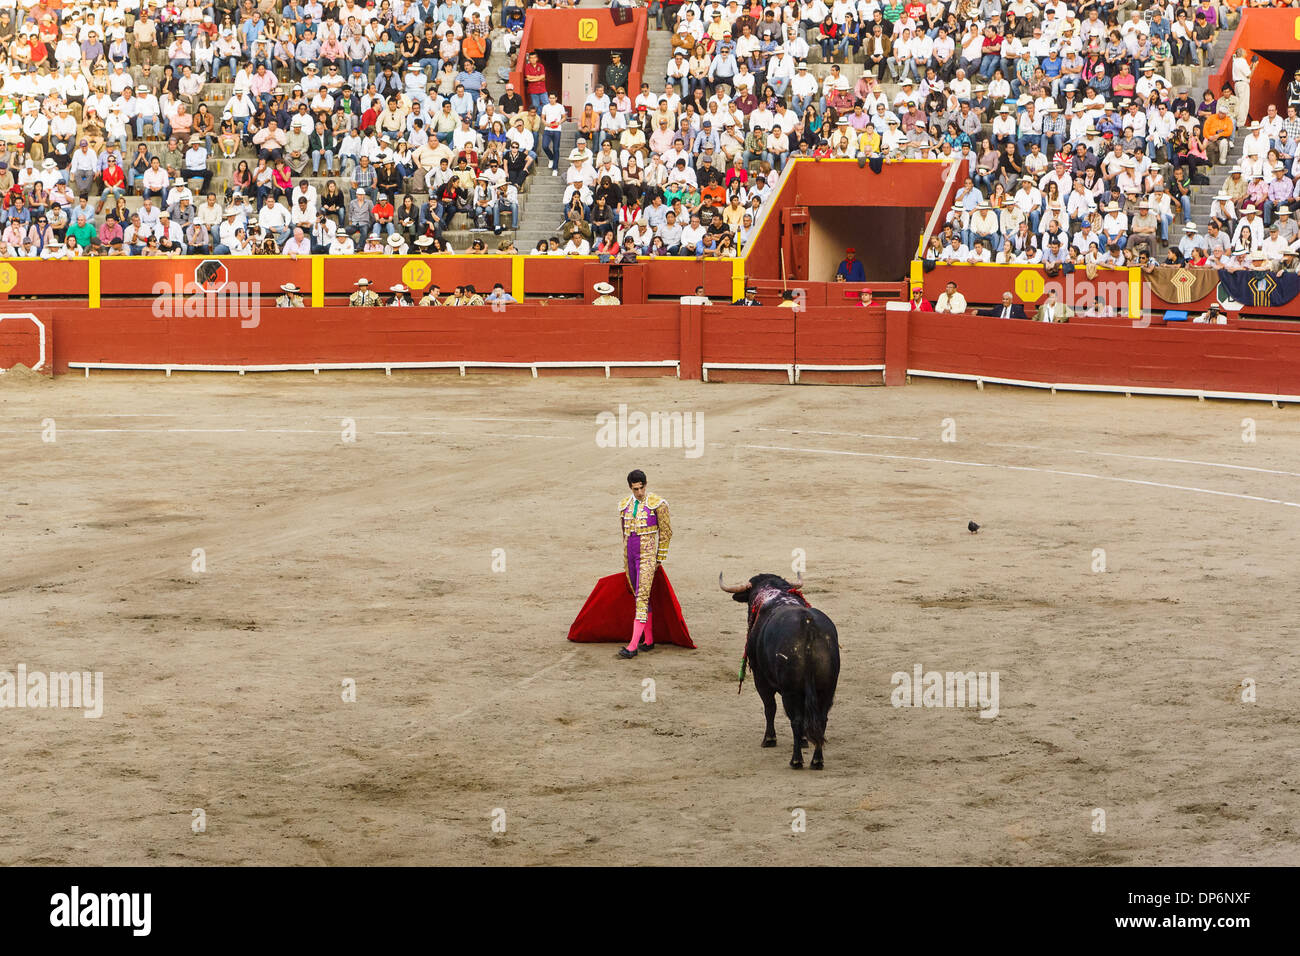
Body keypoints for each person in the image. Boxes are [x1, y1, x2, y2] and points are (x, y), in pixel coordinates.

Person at [567, 469, 693, 655]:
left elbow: (666, 532)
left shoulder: (658, 504)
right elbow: (624, 535)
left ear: (646, 485)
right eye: (635, 489)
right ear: (630, 488)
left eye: (642, 488)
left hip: (647, 557)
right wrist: (626, 559)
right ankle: (648, 640)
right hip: (630, 558)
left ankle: (633, 646)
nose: (639, 492)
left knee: (641, 597)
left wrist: (659, 558)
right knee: (639, 596)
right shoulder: (624, 505)